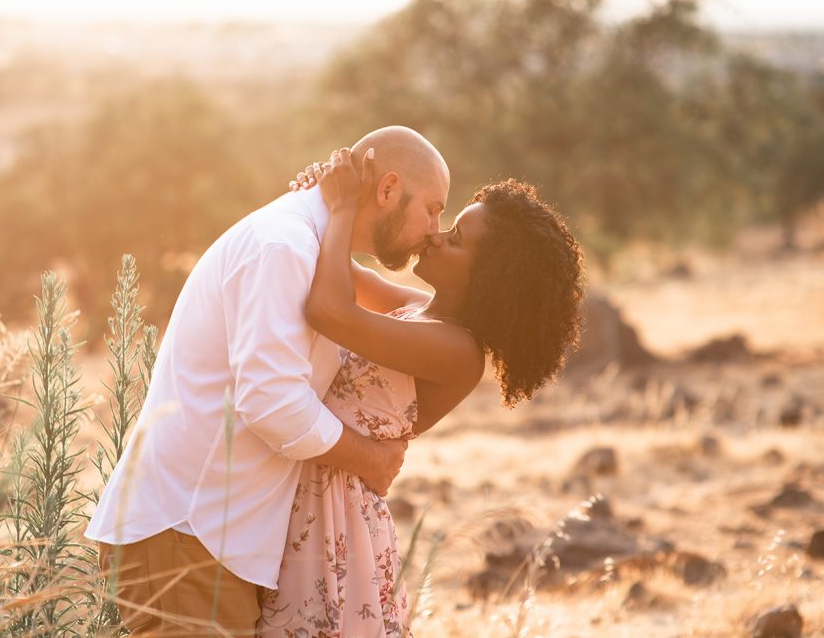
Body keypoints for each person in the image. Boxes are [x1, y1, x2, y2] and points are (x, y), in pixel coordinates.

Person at [85, 126, 450, 636]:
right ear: (387, 189)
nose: (435, 228)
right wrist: (371, 458)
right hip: (187, 534)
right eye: (432, 208)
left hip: (216, 543)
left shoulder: (315, 250)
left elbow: (429, 315)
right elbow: (272, 402)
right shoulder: (284, 247)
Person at [257, 148, 585, 636]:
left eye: (454, 239)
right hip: (306, 487)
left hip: (336, 518)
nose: (434, 235)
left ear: (488, 279)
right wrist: (320, 199)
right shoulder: (420, 308)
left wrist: (344, 208)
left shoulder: (457, 351)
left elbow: (330, 310)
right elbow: (344, 272)